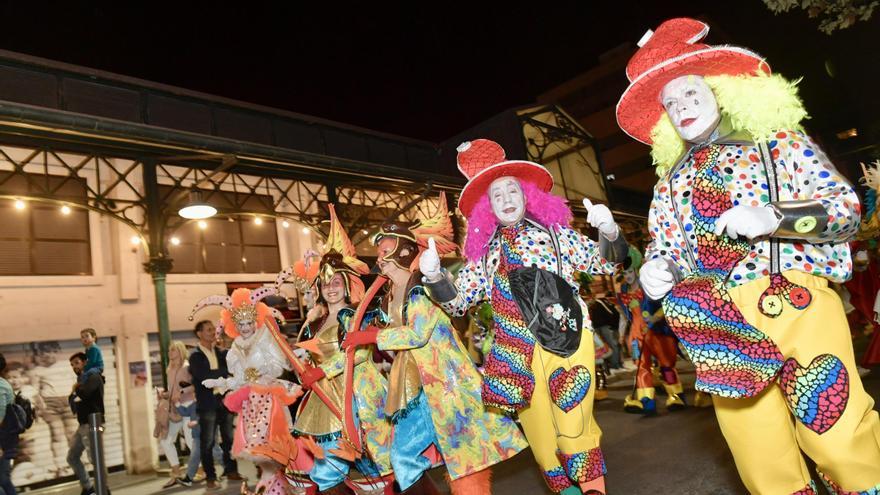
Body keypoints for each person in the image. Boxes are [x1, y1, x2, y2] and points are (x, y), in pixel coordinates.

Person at [619, 17, 880, 493]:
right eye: (670, 102)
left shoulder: (779, 143)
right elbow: (670, 250)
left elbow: (845, 211)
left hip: (796, 301)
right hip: (716, 321)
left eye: (691, 93)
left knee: (838, 434)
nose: (681, 107)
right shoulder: (668, 184)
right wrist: (659, 270)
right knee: (761, 457)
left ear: (720, 91)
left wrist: (772, 216)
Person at [419, 140, 627, 495]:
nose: (505, 198)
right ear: (488, 208)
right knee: (543, 442)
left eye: (511, 189)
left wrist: (609, 232)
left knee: (573, 423)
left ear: (527, 195)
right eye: (496, 195)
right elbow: (458, 304)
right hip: (515, 356)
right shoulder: (484, 256)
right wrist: (436, 277)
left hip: (566, 341)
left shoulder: (555, 235)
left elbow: (608, 262)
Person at [343, 193, 528, 495]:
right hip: (414, 391)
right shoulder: (392, 295)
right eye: (379, 252)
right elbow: (391, 327)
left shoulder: (422, 289)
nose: (379, 258)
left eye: (386, 251)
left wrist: (370, 336)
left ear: (403, 253)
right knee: (402, 458)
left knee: (467, 466)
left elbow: (416, 334)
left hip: (447, 387)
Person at [280, 205, 394, 494]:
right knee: (329, 466)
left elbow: (357, 355)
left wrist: (321, 370)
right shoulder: (314, 322)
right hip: (323, 397)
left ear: (346, 284)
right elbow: (306, 356)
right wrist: (304, 368)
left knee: (377, 469)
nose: (330, 288)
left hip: (359, 396)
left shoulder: (359, 316)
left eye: (335, 283)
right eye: (325, 284)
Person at [191, 288, 301, 495]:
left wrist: (261, 371)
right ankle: (272, 486)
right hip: (251, 404)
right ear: (234, 325)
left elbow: (280, 366)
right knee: (260, 453)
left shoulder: (265, 338)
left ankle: (283, 485)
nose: (245, 327)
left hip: (269, 399)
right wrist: (221, 382)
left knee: (275, 449)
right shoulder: (235, 349)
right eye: (240, 324)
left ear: (255, 320)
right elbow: (238, 378)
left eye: (249, 322)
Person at [188, 321, 241, 491]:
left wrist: (220, 375)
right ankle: (210, 476)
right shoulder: (195, 356)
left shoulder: (220, 352)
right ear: (199, 333)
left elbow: (230, 370)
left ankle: (231, 470)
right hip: (207, 404)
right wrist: (222, 374)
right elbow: (203, 376)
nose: (213, 332)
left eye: (214, 329)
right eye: (209, 329)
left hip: (224, 401)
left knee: (229, 439)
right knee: (208, 442)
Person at [157, 341, 201, 489]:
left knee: (190, 441)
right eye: (169, 350)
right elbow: (172, 390)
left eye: (173, 350)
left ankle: (201, 471)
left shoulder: (188, 367)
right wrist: (165, 394)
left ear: (181, 351)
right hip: (174, 409)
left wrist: (180, 392)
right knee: (165, 440)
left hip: (188, 407)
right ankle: (176, 473)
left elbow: (195, 386)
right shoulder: (169, 369)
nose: (170, 352)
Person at [66, 352, 104, 495]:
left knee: (95, 459)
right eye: (72, 364)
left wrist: (76, 388)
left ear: (85, 362)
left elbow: (85, 394)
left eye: (76, 363)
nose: (74, 366)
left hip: (92, 424)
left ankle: (103, 489)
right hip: (82, 424)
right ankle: (88, 488)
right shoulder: (81, 380)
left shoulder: (93, 377)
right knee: (72, 457)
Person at [0, 353, 19, 495]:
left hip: (4, 441)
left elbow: (0, 418)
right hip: (6, 439)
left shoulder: (1, 386)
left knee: (3, 480)